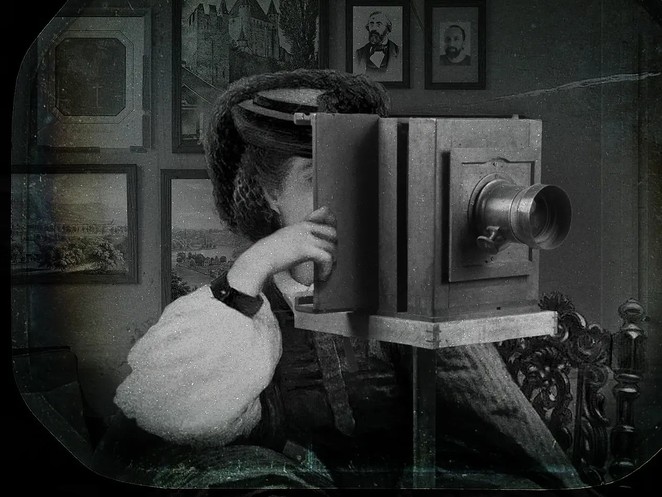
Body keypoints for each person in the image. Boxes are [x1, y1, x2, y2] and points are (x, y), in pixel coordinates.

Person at [92, 69, 583, 491]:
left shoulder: (402, 294)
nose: (346, 201)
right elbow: (159, 427)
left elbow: (499, 418)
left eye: (361, 178)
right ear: (269, 191)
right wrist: (253, 266)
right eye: (316, 179)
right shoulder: (240, 314)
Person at [354, 11, 401, 80]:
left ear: (388, 30)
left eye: (379, 24)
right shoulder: (359, 54)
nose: (374, 28)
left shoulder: (399, 52)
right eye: (371, 24)